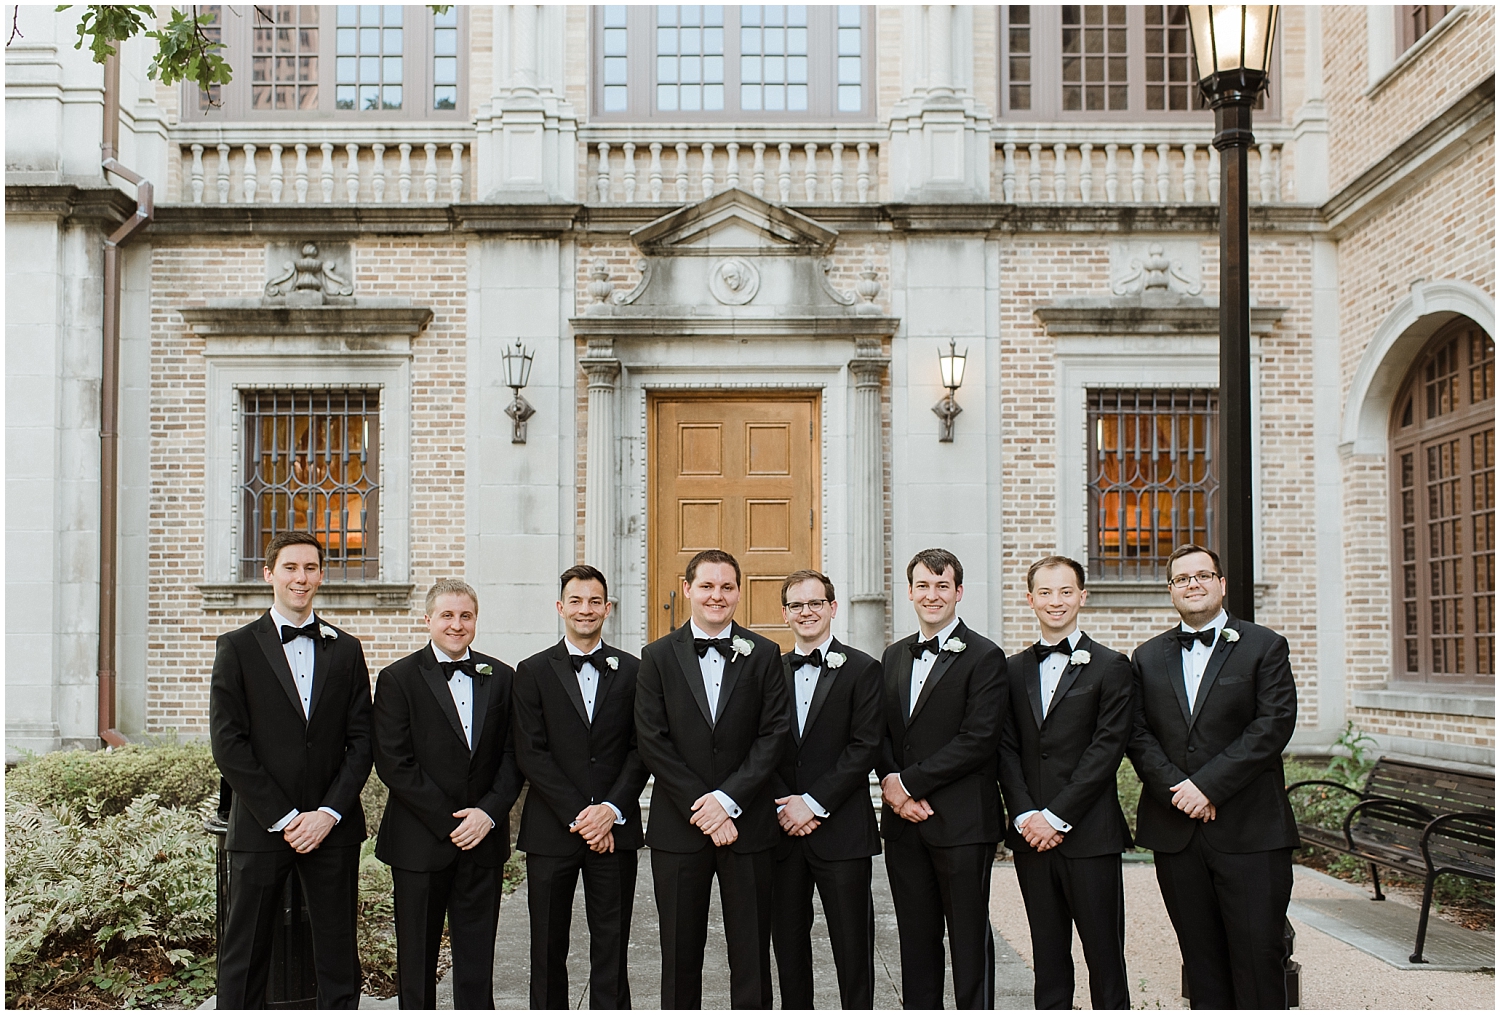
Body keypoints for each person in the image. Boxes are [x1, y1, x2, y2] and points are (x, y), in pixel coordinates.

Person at [1127, 544, 1299, 1009]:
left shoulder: (1265, 646)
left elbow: (1273, 726)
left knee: (1259, 957)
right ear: (1171, 591)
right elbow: (1138, 735)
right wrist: (1179, 793)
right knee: (1200, 960)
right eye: (1182, 579)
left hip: (1251, 831)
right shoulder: (1145, 657)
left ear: (1222, 585)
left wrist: (1208, 786)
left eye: (1203, 575)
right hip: (1177, 832)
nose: (1193, 585)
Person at [209, 531, 373, 1009]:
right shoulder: (236, 647)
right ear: (269, 574)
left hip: (331, 828)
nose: (300, 578)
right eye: (290, 568)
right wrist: (282, 816)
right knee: (245, 954)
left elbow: (361, 741)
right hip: (262, 826)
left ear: (321, 575)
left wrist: (327, 813)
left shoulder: (346, 649)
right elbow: (229, 743)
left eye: (310, 568)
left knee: (338, 953)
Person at [634, 548, 791, 1009]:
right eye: (706, 586)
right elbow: (652, 740)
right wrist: (704, 806)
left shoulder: (764, 654)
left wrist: (728, 800)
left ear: (738, 592)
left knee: (752, 953)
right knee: (679, 953)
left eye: (726, 587)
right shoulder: (657, 656)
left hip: (749, 825)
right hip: (679, 828)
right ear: (687, 590)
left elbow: (773, 734)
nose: (716, 596)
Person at [372, 579, 523, 1009]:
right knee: (416, 961)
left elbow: (514, 756)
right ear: (428, 620)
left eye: (466, 616)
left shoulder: (503, 677)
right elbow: (394, 763)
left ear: (475, 620)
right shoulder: (397, 679)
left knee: (477, 960)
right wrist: (452, 820)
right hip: (420, 841)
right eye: (447, 615)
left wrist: (488, 813)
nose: (457, 625)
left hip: (483, 838)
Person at [997, 556, 1134, 1010]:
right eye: (1046, 592)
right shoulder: (1012, 669)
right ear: (1030, 598)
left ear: (1082, 596)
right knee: (1048, 954)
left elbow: (1106, 750)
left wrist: (1056, 817)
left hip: (1089, 834)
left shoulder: (1112, 666)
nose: (1056, 601)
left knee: (1105, 956)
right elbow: (1006, 748)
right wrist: (1024, 815)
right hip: (1030, 836)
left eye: (1066, 591)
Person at [512, 565, 648, 1009]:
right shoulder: (531, 671)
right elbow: (531, 752)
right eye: (576, 600)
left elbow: (641, 748)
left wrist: (609, 809)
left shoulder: (634, 670)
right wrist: (582, 815)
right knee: (547, 944)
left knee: (612, 942)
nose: (585, 610)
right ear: (560, 607)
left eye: (594, 601)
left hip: (615, 829)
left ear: (607, 608)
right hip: (553, 829)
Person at [877, 548, 1007, 1010]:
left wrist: (907, 783)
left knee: (969, 938)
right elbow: (881, 734)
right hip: (904, 824)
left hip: (962, 822)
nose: (932, 596)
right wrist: (894, 790)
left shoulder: (986, 656)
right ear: (910, 592)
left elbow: (979, 739)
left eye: (942, 586)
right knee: (915, 938)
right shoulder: (893, 656)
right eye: (923, 586)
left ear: (958, 592)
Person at [769, 569, 883, 1009]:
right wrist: (785, 805)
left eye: (815, 603)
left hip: (842, 831)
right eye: (797, 605)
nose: (807, 612)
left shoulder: (862, 668)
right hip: (781, 832)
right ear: (785, 614)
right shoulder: (769, 670)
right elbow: (759, 745)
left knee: (853, 946)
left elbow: (865, 745)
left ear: (833, 608)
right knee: (788, 945)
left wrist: (813, 804)